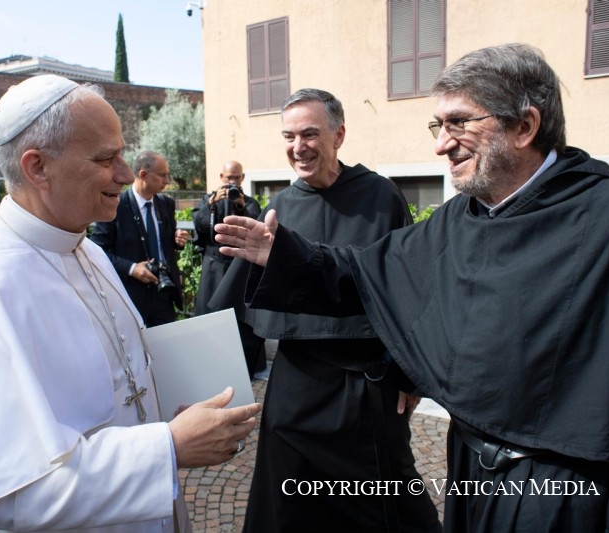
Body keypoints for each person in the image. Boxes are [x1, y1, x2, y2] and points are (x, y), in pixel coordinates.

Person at [215, 44, 609, 531]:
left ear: (525, 127)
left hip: (560, 494)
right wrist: (284, 256)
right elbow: (370, 275)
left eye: (459, 123)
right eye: (438, 127)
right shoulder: (461, 218)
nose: (442, 144)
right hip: (470, 473)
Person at [0, 74, 262, 532]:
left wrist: (173, 416)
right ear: (38, 167)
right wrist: (166, 448)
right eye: (106, 159)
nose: (125, 174)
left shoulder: (91, 252)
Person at [211, 88, 441, 532]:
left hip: (366, 388)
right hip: (295, 389)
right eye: (289, 136)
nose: (299, 147)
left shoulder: (382, 197)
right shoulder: (280, 208)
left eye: (310, 134)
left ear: (339, 135)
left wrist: (410, 374)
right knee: (291, 509)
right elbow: (239, 303)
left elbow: (412, 293)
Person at [90, 151, 191, 327]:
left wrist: (176, 240)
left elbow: (165, 244)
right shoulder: (116, 205)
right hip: (131, 296)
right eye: (162, 175)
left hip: (164, 293)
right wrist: (132, 268)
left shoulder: (166, 204)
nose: (167, 181)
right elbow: (97, 250)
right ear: (143, 174)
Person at [191, 160, 265, 377]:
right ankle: (208, 361)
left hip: (240, 269)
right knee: (209, 314)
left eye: (236, 178)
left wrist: (241, 206)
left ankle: (242, 366)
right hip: (214, 266)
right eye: (228, 178)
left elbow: (255, 229)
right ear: (221, 177)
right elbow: (200, 226)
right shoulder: (207, 200)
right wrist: (212, 203)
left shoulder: (249, 202)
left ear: (242, 179)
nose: (231, 182)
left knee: (241, 319)